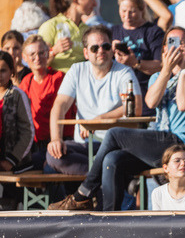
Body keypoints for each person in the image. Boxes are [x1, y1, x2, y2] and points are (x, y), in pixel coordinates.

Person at [49, 27, 185, 211]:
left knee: (115, 134)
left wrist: (182, 70)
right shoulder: (158, 76)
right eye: (171, 43)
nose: (176, 48)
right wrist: (166, 70)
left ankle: (83, 194)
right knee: (112, 159)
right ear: (164, 49)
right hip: (161, 141)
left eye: (181, 43)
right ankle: (110, 219)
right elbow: (151, 101)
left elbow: (183, 103)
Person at [45, 26, 141, 176]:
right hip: (84, 146)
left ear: (112, 49)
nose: (101, 51)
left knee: (112, 160)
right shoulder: (76, 70)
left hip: (116, 145)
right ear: (86, 53)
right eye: (95, 48)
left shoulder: (124, 72)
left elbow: (135, 108)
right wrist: (56, 139)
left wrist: (99, 120)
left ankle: (102, 177)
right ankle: (106, 176)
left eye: (106, 46)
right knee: (53, 154)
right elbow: (60, 105)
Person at [19, 36, 71, 169]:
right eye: (32, 54)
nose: (37, 58)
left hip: (61, 141)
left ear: (48, 53)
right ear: (25, 58)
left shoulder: (59, 78)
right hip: (36, 144)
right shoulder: (26, 82)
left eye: (41, 53)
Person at [111, 0, 165, 103]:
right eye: (123, 10)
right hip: (120, 94)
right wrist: (109, 51)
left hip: (146, 92)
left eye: (132, 11)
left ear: (142, 9)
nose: (127, 15)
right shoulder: (113, 32)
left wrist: (135, 63)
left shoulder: (153, 32)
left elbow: (161, 65)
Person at [39, 0, 99, 72]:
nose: (95, 4)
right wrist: (54, 51)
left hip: (81, 84)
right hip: (57, 84)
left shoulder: (88, 30)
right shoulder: (51, 26)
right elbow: (37, 65)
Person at [0, 50, 34, 173]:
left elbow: (28, 132)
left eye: (3, 71)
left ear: (12, 71)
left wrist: (11, 160)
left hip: (16, 165)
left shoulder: (18, 95)